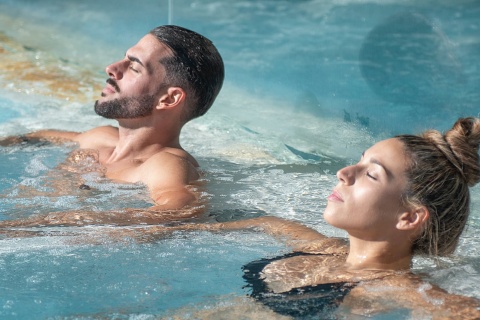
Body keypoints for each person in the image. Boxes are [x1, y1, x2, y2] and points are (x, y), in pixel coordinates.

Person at [93, 117, 479, 318]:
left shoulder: (397, 289)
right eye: (359, 160)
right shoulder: (320, 247)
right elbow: (263, 223)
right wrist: (149, 229)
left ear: (410, 218)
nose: (345, 172)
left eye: (371, 173)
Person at [0, 25, 224, 223]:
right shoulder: (100, 137)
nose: (112, 68)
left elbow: (181, 211)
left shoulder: (165, 164)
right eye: (124, 58)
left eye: (134, 67)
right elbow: (38, 137)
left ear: (168, 99)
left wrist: (52, 223)